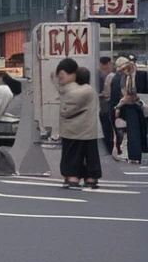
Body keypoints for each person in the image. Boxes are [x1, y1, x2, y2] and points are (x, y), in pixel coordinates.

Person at [55, 58, 102, 189]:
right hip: (90, 130)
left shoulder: (72, 91)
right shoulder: (90, 89)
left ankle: (72, 177)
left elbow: (66, 111)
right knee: (91, 155)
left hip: (73, 130)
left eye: (61, 75)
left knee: (72, 155)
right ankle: (91, 178)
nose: (60, 79)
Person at [112, 56, 147, 166]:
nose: (123, 71)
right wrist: (119, 106)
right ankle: (134, 156)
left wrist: (118, 106)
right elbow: (126, 95)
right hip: (130, 105)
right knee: (133, 130)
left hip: (138, 104)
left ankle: (135, 155)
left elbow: (132, 94)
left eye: (124, 68)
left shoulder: (141, 74)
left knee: (138, 130)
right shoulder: (122, 78)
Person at [98, 56, 115, 154]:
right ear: (107, 64)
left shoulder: (105, 75)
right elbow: (103, 92)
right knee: (107, 128)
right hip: (105, 106)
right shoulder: (101, 76)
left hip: (104, 106)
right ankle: (109, 148)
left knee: (108, 128)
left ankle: (109, 147)